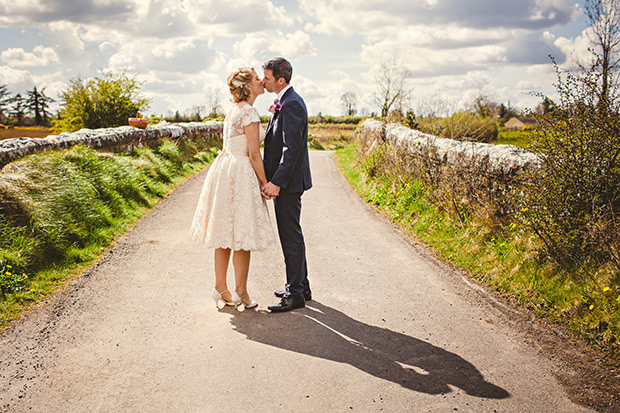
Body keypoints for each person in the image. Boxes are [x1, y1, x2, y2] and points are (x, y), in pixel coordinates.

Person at [189, 67, 273, 310]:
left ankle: (220, 287)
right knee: (242, 235)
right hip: (240, 171)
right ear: (247, 86)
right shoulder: (250, 113)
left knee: (224, 231)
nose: (261, 81)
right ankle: (241, 292)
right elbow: (254, 154)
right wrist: (265, 182)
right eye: (257, 78)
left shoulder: (233, 111)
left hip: (225, 169)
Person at [261, 57, 313, 313]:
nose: (264, 81)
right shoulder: (286, 101)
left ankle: (295, 295)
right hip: (289, 182)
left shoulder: (291, 103)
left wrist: (277, 182)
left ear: (281, 80)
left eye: (267, 78)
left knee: (290, 235)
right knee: (293, 232)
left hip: (289, 183)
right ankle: (301, 285)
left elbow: (290, 150)